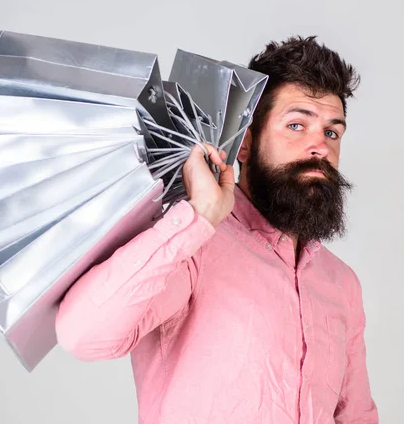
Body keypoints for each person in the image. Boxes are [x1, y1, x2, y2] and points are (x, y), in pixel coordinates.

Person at [55, 36, 379, 424]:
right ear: (245, 144)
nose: (320, 147)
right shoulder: (192, 245)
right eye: (297, 125)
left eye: (331, 132)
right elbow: (82, 335)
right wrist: (197, 217)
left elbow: (356, 415)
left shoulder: (342, 284)